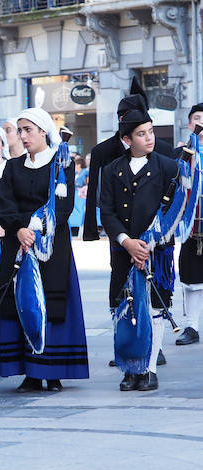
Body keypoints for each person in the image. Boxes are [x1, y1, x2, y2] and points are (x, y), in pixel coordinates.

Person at [0, 108, 89, 392]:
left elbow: (64, 205)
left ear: (43, 131)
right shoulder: (13, 166)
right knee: (22, 301)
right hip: (18, 241)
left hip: (51, 245)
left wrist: (37, 229)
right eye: (19, 130)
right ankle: (30, 372)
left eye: (27, 130)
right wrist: (21, 228)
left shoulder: (63, 164)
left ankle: (53, 370)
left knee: (50, 302)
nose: (22, 136)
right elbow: (4, 202)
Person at [99, 109, 178, 391]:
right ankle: (128, 366)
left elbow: (174, 209)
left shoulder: (169, 167)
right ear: (126, 139)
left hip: (156, 249)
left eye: (151, 132)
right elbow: (106, 212)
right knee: (124, 307)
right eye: (141, 134)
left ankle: (149, 368)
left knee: (155, 307)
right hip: (123, 250)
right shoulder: (111, 170)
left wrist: (148, 242)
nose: (149, 138)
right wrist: (126, 242)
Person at [83, 78, 174, 242]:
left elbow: (172, 197)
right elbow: (97, 197)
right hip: (120, 236)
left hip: (158, 238)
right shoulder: (102, 152)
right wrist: (93, 230)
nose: (148, 137)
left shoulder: (164, 151)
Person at [176, 103, 203, 346]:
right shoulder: (181, 153)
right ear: (189, 124)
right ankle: (192, 326)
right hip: (192, 227)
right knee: (192, 281)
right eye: (197, 119)